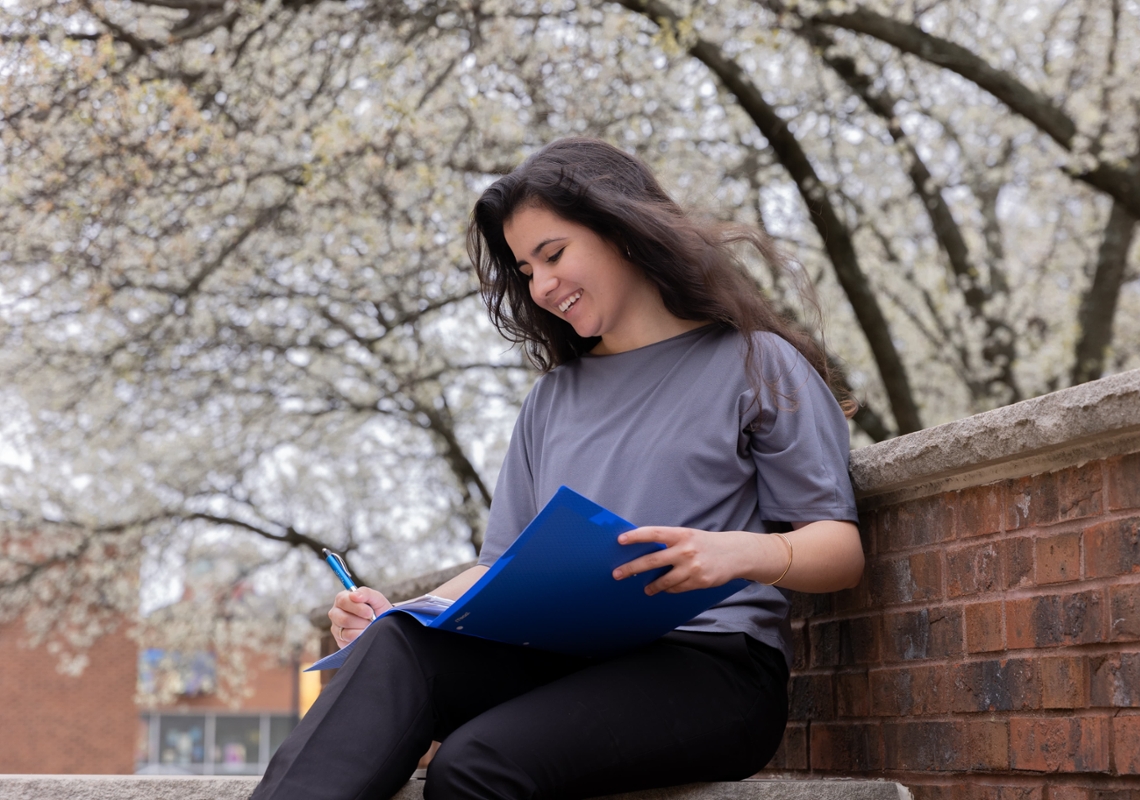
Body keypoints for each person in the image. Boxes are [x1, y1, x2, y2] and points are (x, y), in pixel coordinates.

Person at [251, 138, 864, 800]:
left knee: (473, 763)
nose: (542, 286)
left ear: (623, 231)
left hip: (715, 670)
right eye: (525, 269)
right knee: (397, 642)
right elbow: (501, 570)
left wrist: (734, 553)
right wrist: (403, 614)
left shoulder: (755, 362)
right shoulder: (552, 400)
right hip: (567, 663)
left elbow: (840, 549)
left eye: (554, 255)